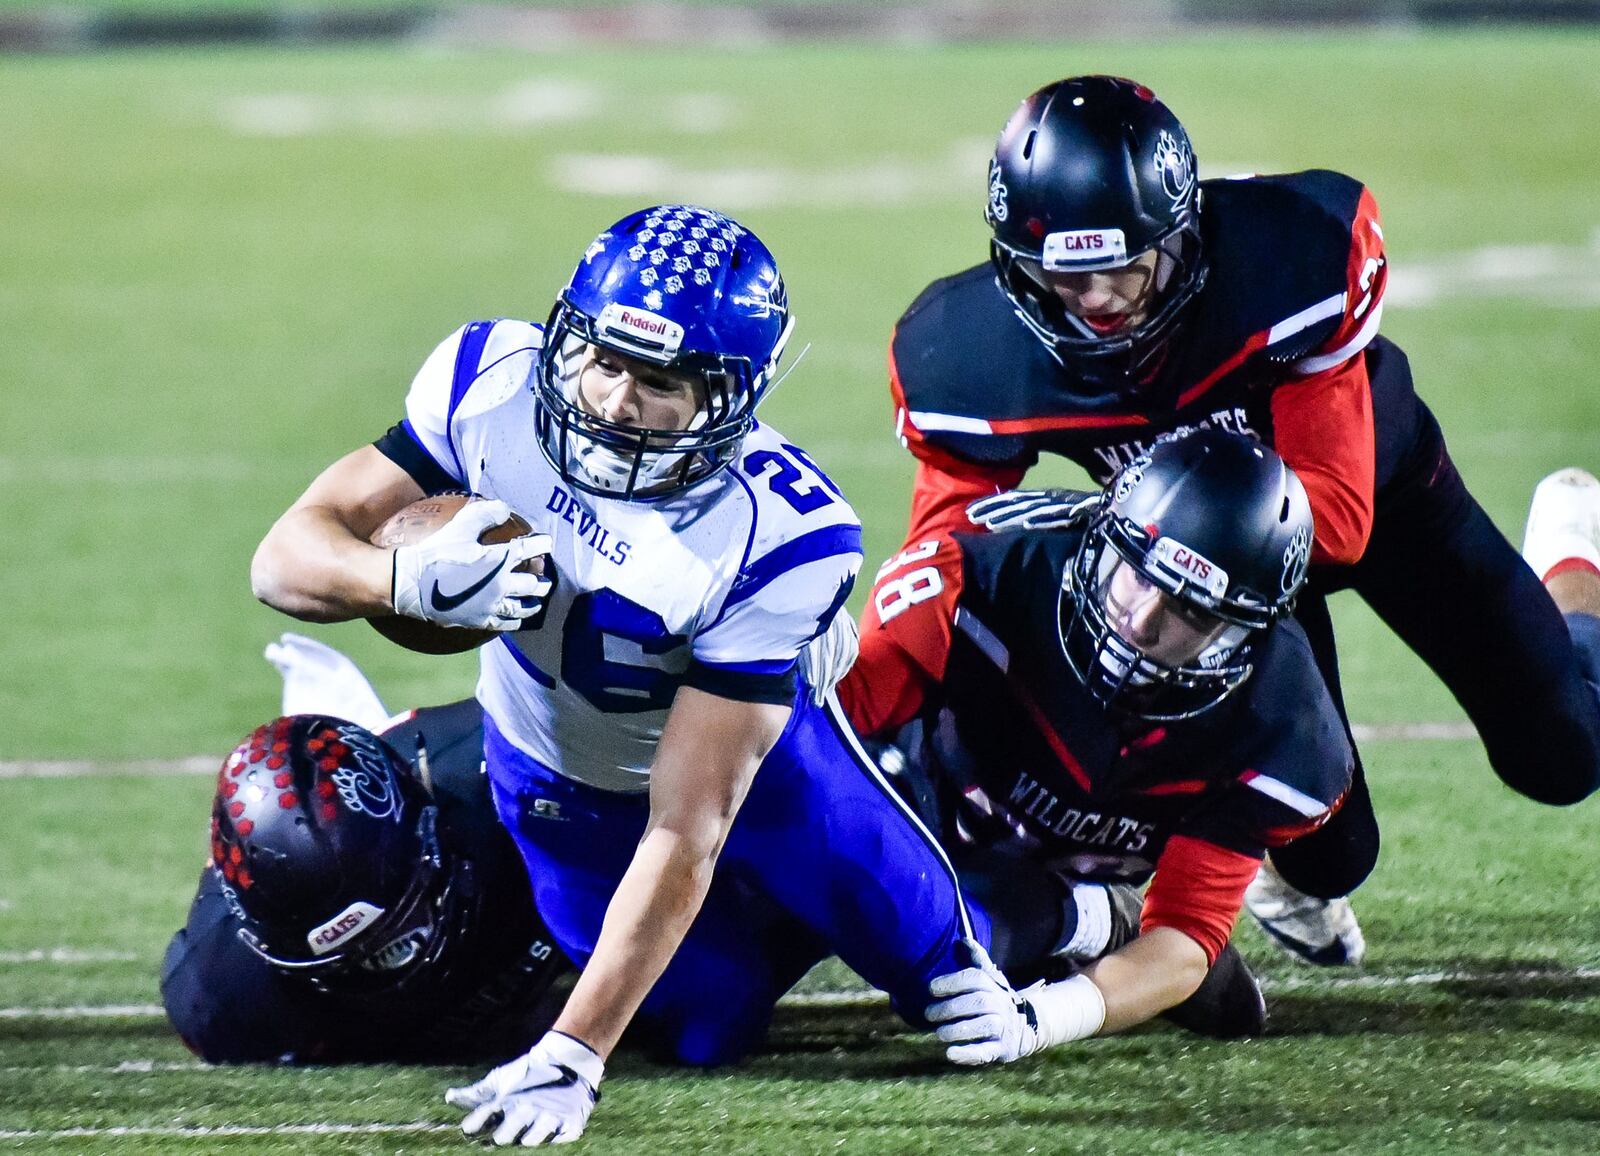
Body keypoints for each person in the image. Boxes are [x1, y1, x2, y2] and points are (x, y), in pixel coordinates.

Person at [250, 205, 1002, 1146]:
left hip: (753, 768)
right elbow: (279, 560)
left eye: (658, 381)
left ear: (728, 396)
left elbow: (689, 824)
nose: (612, 402)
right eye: (604, 361)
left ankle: (961, 831)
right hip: (553, 773)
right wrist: (392, 577)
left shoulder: (777, 534)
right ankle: (792, 905)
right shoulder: (490, 386)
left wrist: (572, 1052)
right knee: (707, 1028)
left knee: (951, 967)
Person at [875, 74, 1600, 966]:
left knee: (1563, 755)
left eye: (1124, 265)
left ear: (1179, 235)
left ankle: (1574, 556)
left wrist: (1137, 532)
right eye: (1066, 275)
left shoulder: (1285, 263)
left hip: (1375, 497)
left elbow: (1333, 519)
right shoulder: (971, 353)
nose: (1098, 297)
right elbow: (954, 563)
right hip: (1199, 568)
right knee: (1334, 853)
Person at [840, 431, 1354, 1058]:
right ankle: (1102, 920)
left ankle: (1090, 918)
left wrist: (1044, 1018)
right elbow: (822, 738)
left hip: (1044, 876)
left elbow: (1187, 938)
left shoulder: (1283, 728)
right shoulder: (974, 581)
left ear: (1242, 632)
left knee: (958, 958)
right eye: (1136, 575)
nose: (1141, 620)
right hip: (924, 816)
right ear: (1099, 540)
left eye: (1191, 611)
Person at [161, 700, 573, 1064]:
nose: (397, 969)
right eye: (354, 962)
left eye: (402, 929)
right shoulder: (226, 995)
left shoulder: (515, 781)